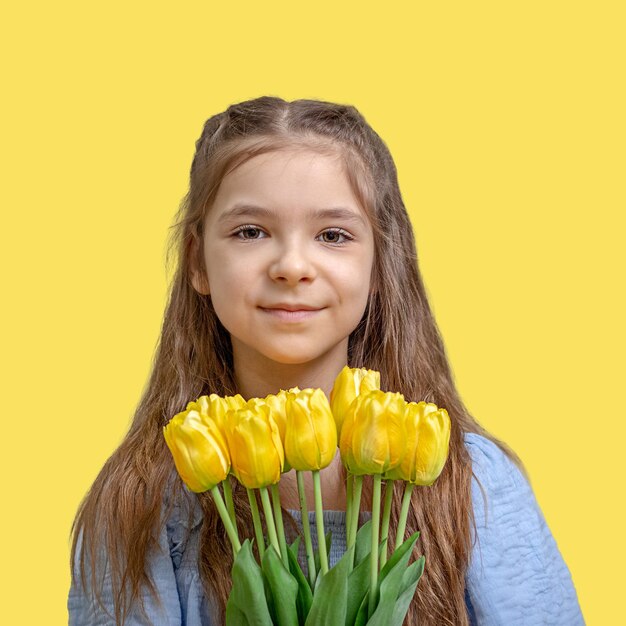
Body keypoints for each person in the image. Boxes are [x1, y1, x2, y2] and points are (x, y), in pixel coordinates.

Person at [67, 96, 584, 625]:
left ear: (381, 264)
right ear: (197, 261)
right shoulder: (146, 502)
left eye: (333, 236)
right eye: (251, 232)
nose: (292, 266)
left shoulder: (473, 483)